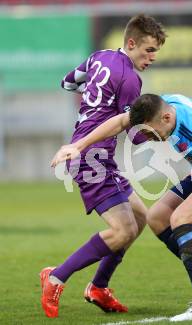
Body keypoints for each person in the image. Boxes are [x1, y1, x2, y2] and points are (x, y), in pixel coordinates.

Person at [51, 93, 192, 321]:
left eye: (147, 132)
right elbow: (120, 121)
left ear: (165, 118)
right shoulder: (162, 107)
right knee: (157, 217)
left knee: (181, 219)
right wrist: (78, 145)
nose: (145, 137)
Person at [39, 14, 167, 318]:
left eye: (156, 52)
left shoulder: (99, 57)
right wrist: (157, 135)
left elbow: (68, 82)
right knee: (123, 231)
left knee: (141, 216)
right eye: (148, 50)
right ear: (131, 43)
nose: (152, 58)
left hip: (98, 156)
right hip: (90, 157)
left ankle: (99, 287)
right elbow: (132, 134)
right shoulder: (131, 79)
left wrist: (93, 106)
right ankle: (55, 277)